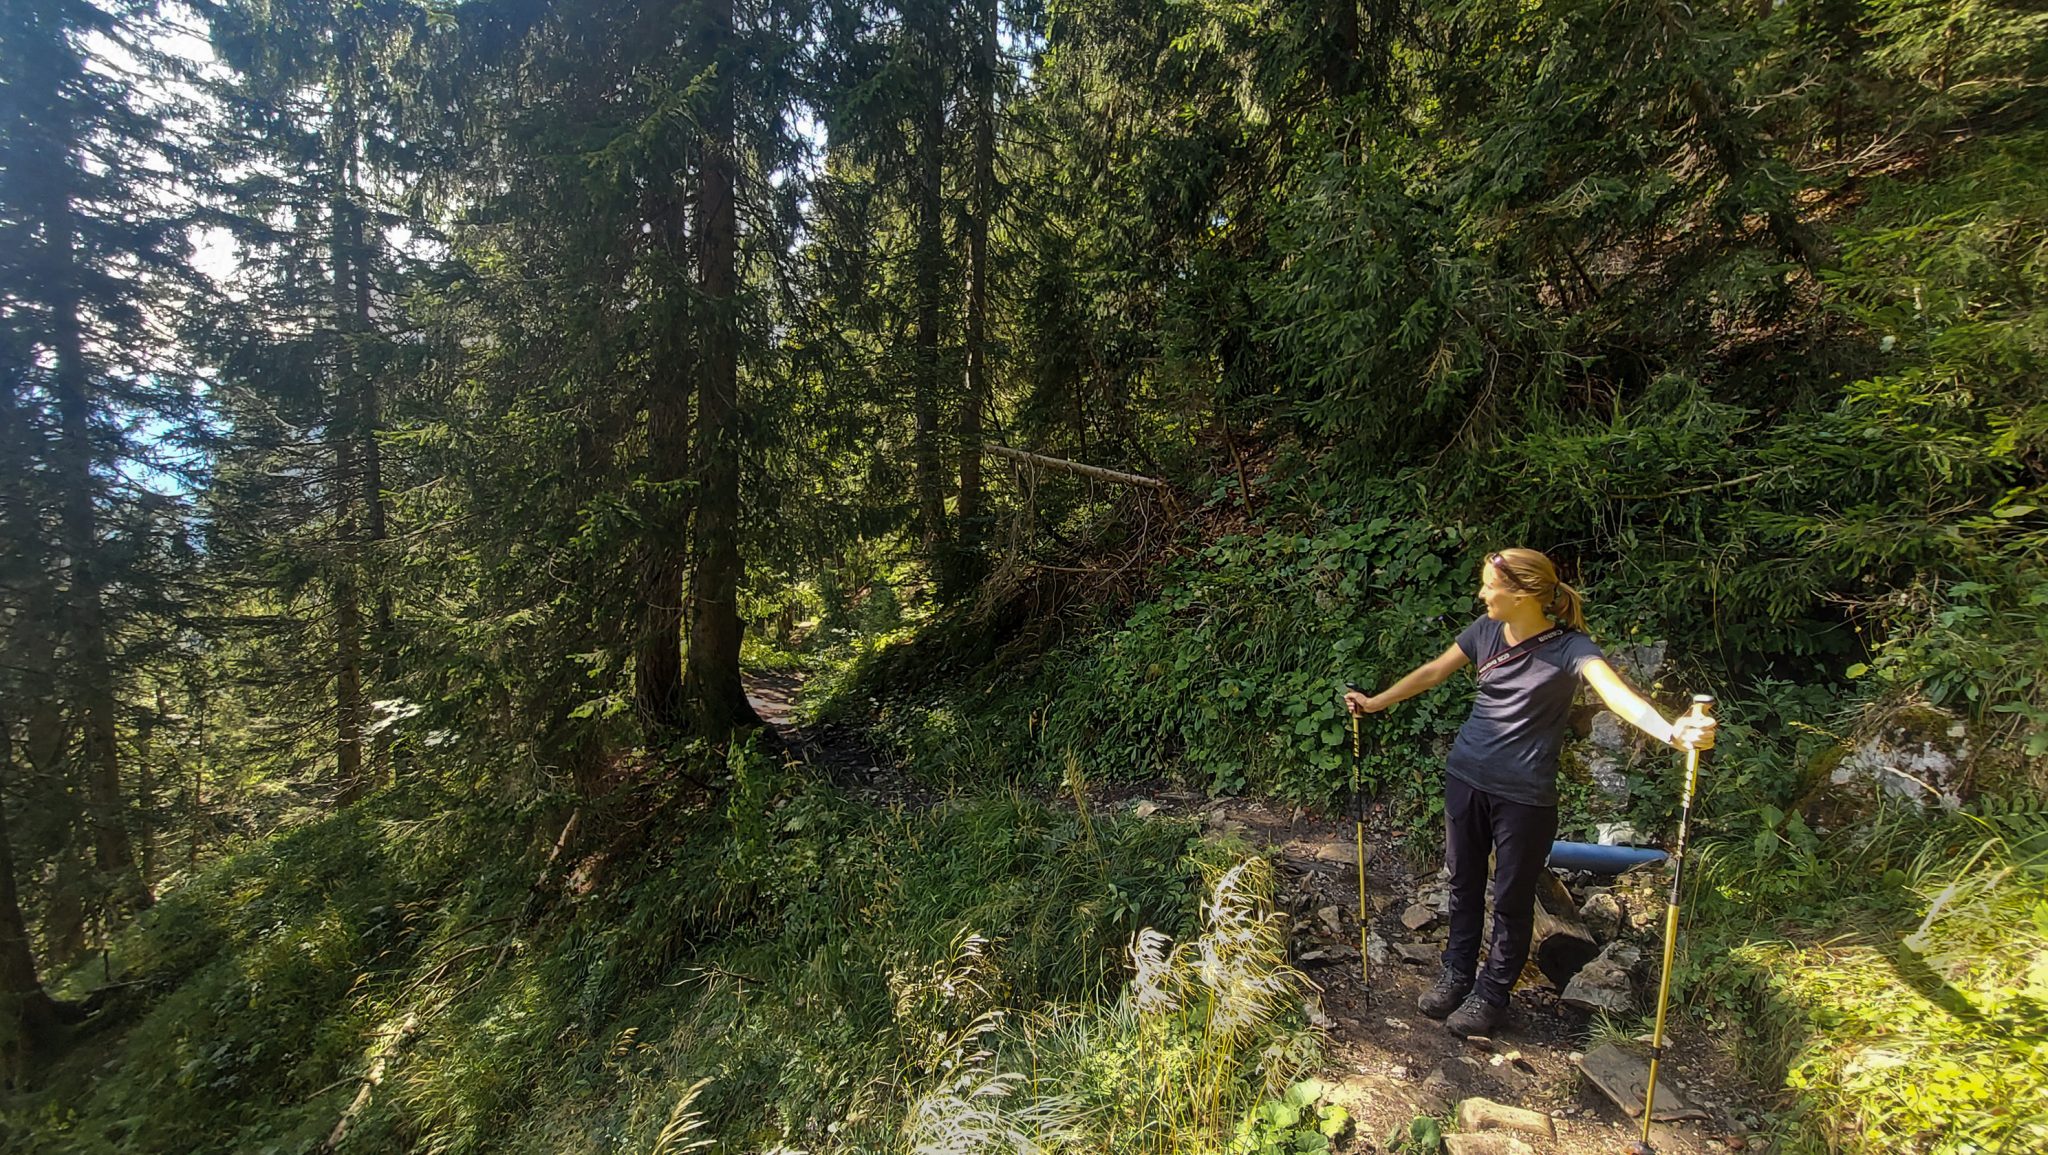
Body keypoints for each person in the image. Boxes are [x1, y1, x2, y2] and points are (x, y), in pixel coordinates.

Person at [1344, 548, 1715, 1038]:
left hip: (1524, 796)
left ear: (1520, 593)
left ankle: (1492, 995)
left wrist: (1673, 733)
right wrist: (1375, 703)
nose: (1481, 594)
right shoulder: (1485, 631)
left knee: (1513, 901)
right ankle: (1456, 975)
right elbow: (1434, 671)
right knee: (1462, 883)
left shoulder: (1571, 648)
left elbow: (1616, 695)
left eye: (1488, 586)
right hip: (1466, 777)